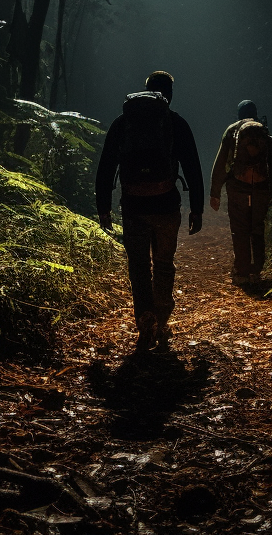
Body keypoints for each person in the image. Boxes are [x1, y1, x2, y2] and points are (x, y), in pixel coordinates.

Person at [95, 71, 205, 351]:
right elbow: (192, 165)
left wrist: (103, 207)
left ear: (146, 89)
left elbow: (106, 166)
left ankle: (145, 317)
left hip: (133, 206)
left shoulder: (124, 122)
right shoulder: (175, 122)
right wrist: (197, 209)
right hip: (167, 205)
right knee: (164, 264)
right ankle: (162, 318)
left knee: (139, 267)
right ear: (169, 92)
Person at [209, 99, 272, 287]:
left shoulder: (232, 130)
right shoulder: (264, 132)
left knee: (240, 229)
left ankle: (241, 272)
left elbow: (221, 163)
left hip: (238, 189)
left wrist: (214, 192)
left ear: (239, 114)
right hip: (261, 189)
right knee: (257, 228)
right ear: (256, 113)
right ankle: (256, 271)